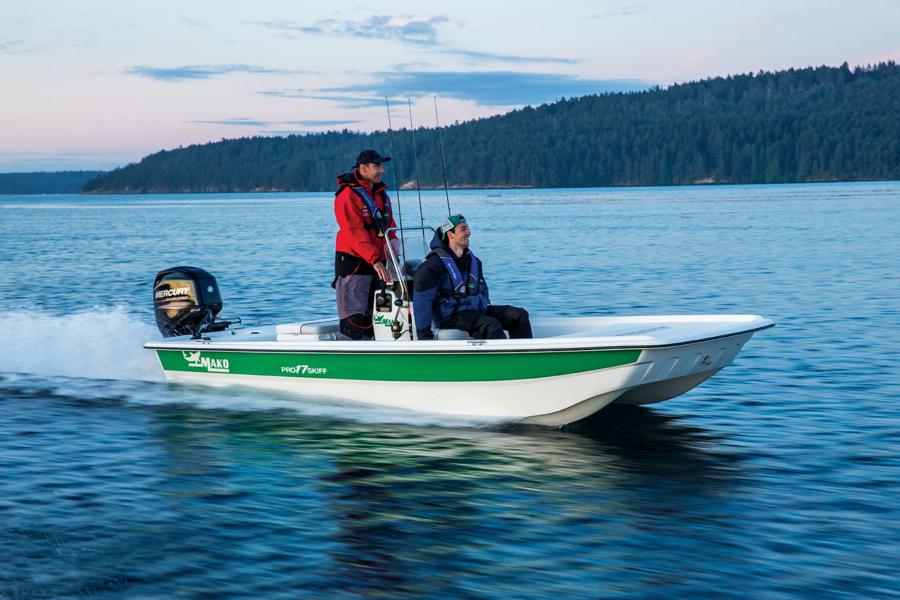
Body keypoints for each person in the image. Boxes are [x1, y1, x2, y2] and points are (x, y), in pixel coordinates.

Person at [413, 214, 532, 340]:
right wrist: (424, 337)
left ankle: (525, 356)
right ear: (450, 234)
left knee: (519, 315)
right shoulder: (431, 267)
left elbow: (483, 292)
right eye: (463, 229)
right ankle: (500, 359)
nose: (469, 233)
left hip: (475, 311)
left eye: (468, 228)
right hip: (450, 316)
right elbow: (422, 302)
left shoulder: (474, 262)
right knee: (490, 325)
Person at [333, 149, 399, 340]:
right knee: (354, 319)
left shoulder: (382, 195)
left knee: (376, 317)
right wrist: (376, 260)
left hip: (378, 265)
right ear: (363, 168)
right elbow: (354, 232)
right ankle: (349, 360)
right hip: (355, 265)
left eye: (382, 165)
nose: (382, 170)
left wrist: (395, 256)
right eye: (377, 166)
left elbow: (390, 227)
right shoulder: (347, 195)